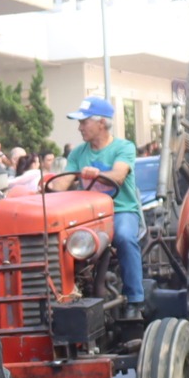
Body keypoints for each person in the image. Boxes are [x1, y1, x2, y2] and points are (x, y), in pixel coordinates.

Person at [67, 96, 143, 304]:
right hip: (86, 216)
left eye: (84, 122)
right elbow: (60, 183)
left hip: (120, 210)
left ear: (101, 123)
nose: (80, 127)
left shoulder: (123, 147)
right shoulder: (76, 154)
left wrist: (97, 174)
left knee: (125, 237)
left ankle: (135, 298)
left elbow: (119, 175)